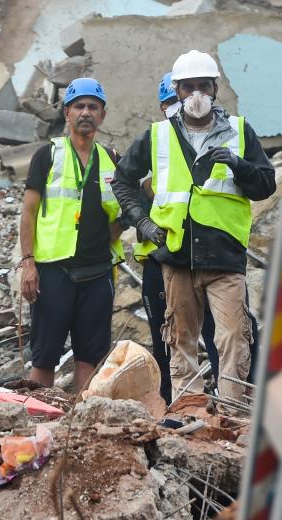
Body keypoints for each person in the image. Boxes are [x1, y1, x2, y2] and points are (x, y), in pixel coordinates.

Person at [112, 50, 276, 405]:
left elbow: (265, 184)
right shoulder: (157, 135)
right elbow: (123, 180)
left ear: (216, 88)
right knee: (180, 339)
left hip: (224, 257)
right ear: (178, 90)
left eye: (204, 86)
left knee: (234, 337)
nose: (197, 94)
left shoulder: (239, 131)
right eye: (189, 87)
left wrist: (237, 164)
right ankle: (190, 412)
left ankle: (232, 409)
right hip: (177, 255)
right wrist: (142, 221)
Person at [18, 77, 124, 391]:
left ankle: (78, 425)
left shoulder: (111, 160)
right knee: (45, 354)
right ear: (67, 114)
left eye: (93, 106)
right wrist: (28, 262)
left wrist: (118, 228)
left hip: (97, 270)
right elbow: (29, 212)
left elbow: (121, 209)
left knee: (89, 355)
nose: (86, 112)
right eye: (79, 106)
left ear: (102, 115)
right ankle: (38, 418)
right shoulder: (48, 155)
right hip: (54, 269)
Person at [136, 72, 219, 403]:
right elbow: (129, 193)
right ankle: (170, 406)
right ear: (162, 107)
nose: (178, 108)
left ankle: (239, 406)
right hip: (161, 259)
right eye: (170, 102)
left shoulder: (215, 140)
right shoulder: (153, 146)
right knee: (166, 339)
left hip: (210, 257)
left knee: (223, 334)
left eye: (181, 100)